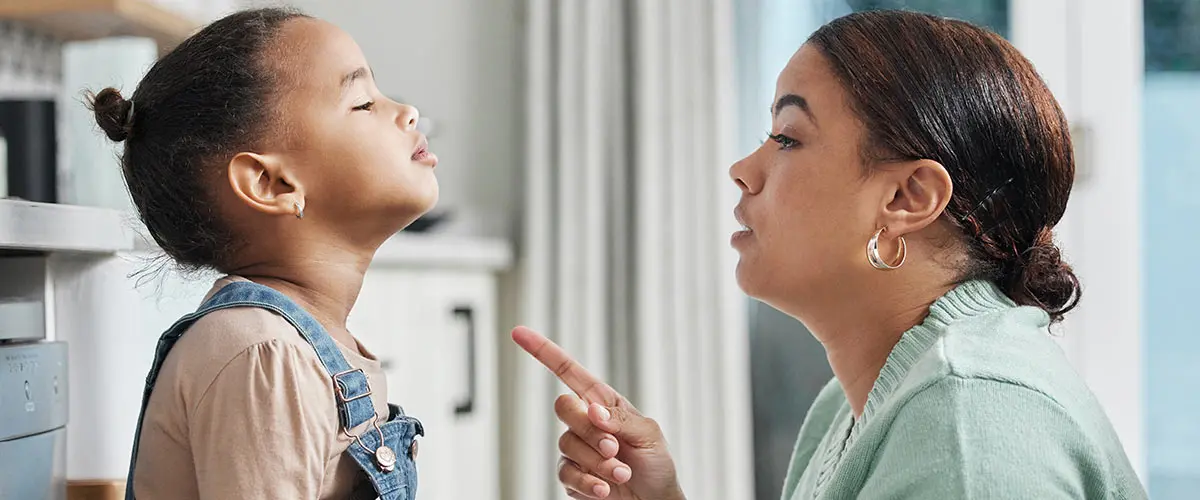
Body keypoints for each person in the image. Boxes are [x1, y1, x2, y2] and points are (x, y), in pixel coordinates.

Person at [512, 10, 1148, 500]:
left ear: (906, 196)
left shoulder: (969, 418)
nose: (741, 169)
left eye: (788, 138)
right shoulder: (854, 404)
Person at [87, 8, 436, 500]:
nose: (407, 112)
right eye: (362, 102)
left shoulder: (302, 348)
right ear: (270, 183)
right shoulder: (262, 354)